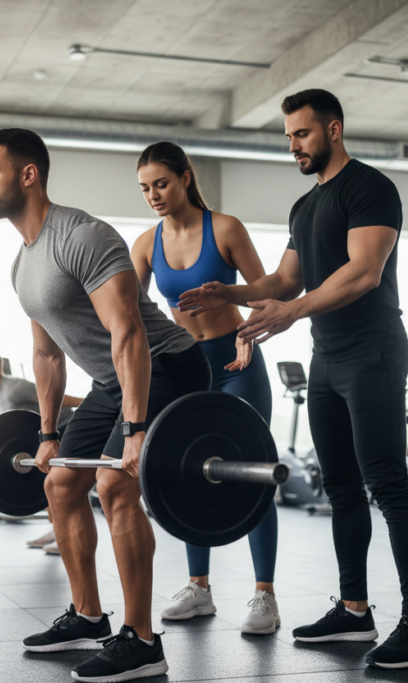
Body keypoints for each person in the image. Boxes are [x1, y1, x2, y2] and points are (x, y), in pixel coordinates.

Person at [178, 89, 408, 670]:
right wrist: (235, 293)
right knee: (341, 488)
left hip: (371, 352)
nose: (293, 144)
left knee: (389, 486)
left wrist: (290, 313)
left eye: (302, 133)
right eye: (289, 135)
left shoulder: (370, 188)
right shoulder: (304, 207)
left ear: (334, 130)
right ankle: (353, 610)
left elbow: (364, 272)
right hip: (327, 358)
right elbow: (286, 281)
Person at [0, 127, 209, 683]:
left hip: (167, 363)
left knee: (114, 483)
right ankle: (87, 616)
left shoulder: (83, 236)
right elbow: (46, 354)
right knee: (58, 481)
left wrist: (135, 428)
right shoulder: (22, 264)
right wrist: (48, 434)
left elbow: (128, 332)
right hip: (113, 379)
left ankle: (143, 640)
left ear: (27, 174)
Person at [129, 141, 281, 635]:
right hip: (188, 369)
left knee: (253, 474)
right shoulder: (146, 245)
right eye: (145, 187)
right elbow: (127, 314)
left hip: (237, 363)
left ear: (186, 178)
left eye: (162, 183)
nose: (153, 194)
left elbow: (269, 293)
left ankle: (264, 596)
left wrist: (249, 337)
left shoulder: (226, 228)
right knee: (190, 473)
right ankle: (199, 587)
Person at [0, 347, 83, 553]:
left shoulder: (14, 388)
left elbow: (52, 397)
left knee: (56, 486)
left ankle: (66, 537)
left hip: (64, 430)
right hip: (42, 441)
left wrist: (89, 405)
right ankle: (57, 532)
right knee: (44, 488)